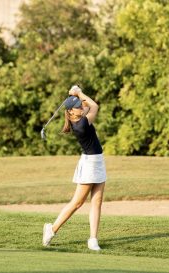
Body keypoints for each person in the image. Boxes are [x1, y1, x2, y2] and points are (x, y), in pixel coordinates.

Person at [42, 85, 106, 251]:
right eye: (77, 107)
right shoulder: (81, 124)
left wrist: (77, 94)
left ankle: (93, 239)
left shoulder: (79, 118)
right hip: (90, 164)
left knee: (97, 202)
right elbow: (94, 106)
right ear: (71, 112)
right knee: (77, 203)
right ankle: (52, 228)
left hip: (97, 161)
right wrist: (78, 92)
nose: (81, 107)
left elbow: (87, 105)